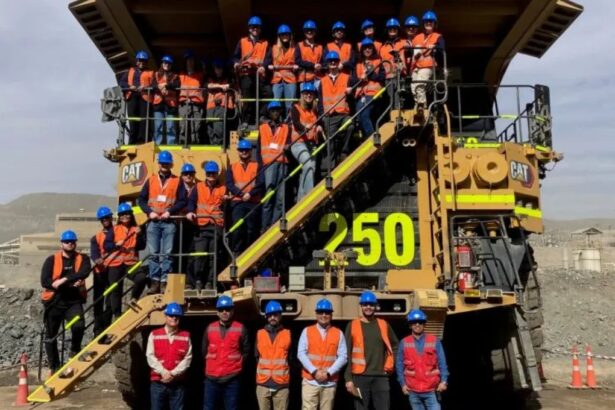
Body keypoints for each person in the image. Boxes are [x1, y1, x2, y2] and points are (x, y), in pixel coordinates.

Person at [40, 230, 91, 375]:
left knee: (79, 325)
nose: (70, 244)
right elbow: (45, 281)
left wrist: (64, 280)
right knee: (51, 335)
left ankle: (74, 351)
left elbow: (85, 272)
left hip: (73, 301)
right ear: (61, 243)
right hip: (54, 301)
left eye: (72, 242)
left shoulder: (83, 258)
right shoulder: (51, 260)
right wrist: (68, 284)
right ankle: (54, 367)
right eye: (67, 242)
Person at [137, 150, 188, 294]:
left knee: (167, 253)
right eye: (162, 163)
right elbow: (141, 199)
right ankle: (155, 283)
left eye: (167, 163)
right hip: (153, 222)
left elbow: (183, 200)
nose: (164, 165)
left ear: (171, 164)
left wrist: (169, 212)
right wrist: (149, 212)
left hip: (169, 222)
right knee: (153, 253)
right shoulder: (151, 180)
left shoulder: (177, 181)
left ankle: (165, 281)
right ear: (159, 164)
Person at [344, 291, 399, 410]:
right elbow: (346, 353)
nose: (368, 307)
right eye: (365, 304)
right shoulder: (352, 325)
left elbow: (395, 346)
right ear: (361, 306)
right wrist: (348, 379)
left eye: (371, 304)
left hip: (381, 377)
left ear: (375, 306)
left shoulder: (384, 324)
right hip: (360, 377)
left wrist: (391, 365)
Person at [298, 298, 347, 410]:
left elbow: (343, 357)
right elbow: (301, 354)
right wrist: (314, 372)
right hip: (310, 382)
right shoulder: (307, 331)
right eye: (321, 312)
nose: (324, 315)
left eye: (327, 312)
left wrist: (328, 373)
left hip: (329, 383)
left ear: (331, 315)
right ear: (316, 314)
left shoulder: (338, 333)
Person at [203, 295, 250, 410]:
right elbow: (203, 351)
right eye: (221, 310)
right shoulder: (210, 328)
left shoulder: (241, 328)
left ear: (232, 311)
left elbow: (246, 351)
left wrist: (236, 367)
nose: (225, 312)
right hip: (211, 379)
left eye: (228, 309)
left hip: (232, 380)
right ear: (217, 312)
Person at [186, 161, 227, 290]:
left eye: (213, 173)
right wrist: (190, 212)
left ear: (217, 174)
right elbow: (191, 202)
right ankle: (198, 281)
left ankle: (210, 282)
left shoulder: (223, 188)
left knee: (213, 256)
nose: (211, 175)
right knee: (200, 255)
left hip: (216, 226)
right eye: (209, 173)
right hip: (201, 226)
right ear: (205, 174)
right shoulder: (198, 187)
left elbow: (226, 207)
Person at [397, 309, 448, 410]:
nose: (417, 324)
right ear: (410, 325)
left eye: (420, 322)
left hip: (432, 391)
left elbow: (442, 363)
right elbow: (399, 365)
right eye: (414, 322)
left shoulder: (434, 341)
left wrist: (444, 381)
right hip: (413, 391)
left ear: (424, 324)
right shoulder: (404, 342)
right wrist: (402, 384)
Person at [146, 302, 192, 410]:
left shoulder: (185, 336)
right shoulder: (154, 334)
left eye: (177, 316)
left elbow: (188, 358)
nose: (174, 318)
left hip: (177, 384)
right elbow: (150, 356)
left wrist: (172, 374)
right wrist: (163, 372)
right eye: (171, 315)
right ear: (166, 316)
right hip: (158, 383)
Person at [226, 139, 265, 254]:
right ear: (238, 151)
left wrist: (250, 194)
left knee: (251, 229)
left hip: (253, 202)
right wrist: (242, 194)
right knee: (237, 228)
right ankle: (236, 252)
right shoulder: (232, 167)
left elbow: (261, 183)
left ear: (250, 151)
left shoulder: (257, 166)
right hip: (238, 202)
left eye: (246, 150)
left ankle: (250, 252)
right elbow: (229, 184)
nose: (244, 152)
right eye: (242, 150)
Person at [258, 101, 290, 229]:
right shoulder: (262, 128)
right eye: (273, 110)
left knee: (280, 200)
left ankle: (274, 226)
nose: (275, 112)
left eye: (277, 110)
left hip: (282, 164)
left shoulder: (286, 127)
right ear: (269, 113)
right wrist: (260, 168)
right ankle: (265, 228)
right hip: (268, 166)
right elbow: (259, 150)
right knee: (268, 198)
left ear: (280, 112)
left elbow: (288, 144)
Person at [319, 51, 353, 169]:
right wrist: (320, 120)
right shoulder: (322, 81)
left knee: (350, 126)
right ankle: (330, 169)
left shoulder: (347, 77)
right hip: (329, 116)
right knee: (330, 144)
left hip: (343, 113)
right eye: (330, 61)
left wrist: (350, 93)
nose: (333, 63)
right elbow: (319, 102)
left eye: (335, 61)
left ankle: (344, 151)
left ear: (339, 63)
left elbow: (353, 98)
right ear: (327, 64)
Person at [233, 16, 269, 127]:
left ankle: (262, 116)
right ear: (249, 28)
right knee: (247, 97)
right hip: (246, 74)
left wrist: (264, 66)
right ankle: (246, 121)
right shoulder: (242, 41)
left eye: (257, 27)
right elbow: (235, 56)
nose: (255, 29)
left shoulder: (265, 43)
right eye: (253, 27)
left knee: (268, 93)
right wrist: (235, 63)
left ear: (260, 29)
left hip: (259, 74)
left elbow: (268, 58)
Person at [255, 301, 291, 410]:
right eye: (270, 315)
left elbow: (292, 358)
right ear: (266, 317)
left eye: (275, 314)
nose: (272, 317)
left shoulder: (287, 334)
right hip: (263, 384)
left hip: (281, 385)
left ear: (280, 315)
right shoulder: (260, 334)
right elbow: (256, 356)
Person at [289, 82, 322, 200]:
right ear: (302, 95)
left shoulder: (314, 110)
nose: (309, 95)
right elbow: (296, 123)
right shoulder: (295, 107)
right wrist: (305, 128)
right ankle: (310, 198)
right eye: (306, 93)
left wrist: (319, 126)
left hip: (312, 144)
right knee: (307, 166)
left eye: (311, 94)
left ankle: (301, 201)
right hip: (299, 143)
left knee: (309, 171)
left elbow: (318, 122)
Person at [411, 11, 445, 114]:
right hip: (416, 66)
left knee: (420, 85)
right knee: (413, 87)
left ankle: (422, 106)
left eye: (430, 21)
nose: (428, 23)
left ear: (434, 24)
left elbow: (442, 48)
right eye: (426, 22)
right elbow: (413, 51)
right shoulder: (417, 37)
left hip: (428, 65)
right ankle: (418, 106)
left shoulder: (438, 36)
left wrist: (435, 46)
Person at [114, 203, 148, 301]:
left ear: (131, 214)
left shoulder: (137, 229)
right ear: (119, 217)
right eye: (122, 214)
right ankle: (117, 314)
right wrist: (116, 245)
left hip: (131, 263)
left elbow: (142, 246)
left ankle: (133, 298)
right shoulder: (114, 229)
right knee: (115, 291)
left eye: (127, 213)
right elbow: (108, 246)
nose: (124, 216)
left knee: (141, 278)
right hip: (116, 264)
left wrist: (140, 235)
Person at [353, 39, 385, 139]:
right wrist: (360, 79)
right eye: (365, 48)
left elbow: (382, 78)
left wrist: (370, 74)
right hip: (361, 95)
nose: (367, 50)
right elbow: (353, 80)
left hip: (374, 94)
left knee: (365, 115)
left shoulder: (378, 61)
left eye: (370, 48)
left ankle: (372, 138)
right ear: (361, 50)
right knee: (359, 117)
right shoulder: (358, 65)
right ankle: (366, 138)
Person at [118, 50, 152, 144]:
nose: (142, 63)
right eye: (140, 60)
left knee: (143, 121)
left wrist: (145, 87)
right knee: (133, 120)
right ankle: (132, 141)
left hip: (144, 98)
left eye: (144, 61)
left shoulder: (150, 73)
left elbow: (154, 84)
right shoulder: (130, 71)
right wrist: (130, 87)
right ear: (137, 61)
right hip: (132, 97)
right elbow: (121, 83)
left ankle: (142, 141)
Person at [90, 206, 114, 337]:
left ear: (111, 218)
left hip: (114, 270)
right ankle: (98, 330)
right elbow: (94, 253)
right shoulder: (96, 237)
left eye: (107, 218)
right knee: (98, 302)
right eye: (103, 219)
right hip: (100, 272)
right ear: (101, 220)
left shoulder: (118, 232)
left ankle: (106, 327)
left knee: (110, 301)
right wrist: (97, 259)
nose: (105, 220)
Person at [148, 55, 180, 145]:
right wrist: (159, 87)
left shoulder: (175, 76)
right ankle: (157, 144)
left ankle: (171, 144)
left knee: (171, 126)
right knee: (158, 126)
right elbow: (152, 86)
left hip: (171, 105)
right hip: (158, 104)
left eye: (169, 63)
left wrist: (165, 85)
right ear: (162, 63)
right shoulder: (156, 75)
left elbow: (176, 85)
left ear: (171, 65)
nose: (167, 64)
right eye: (165, 62)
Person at [267, 25, 299, 114]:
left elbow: (299, 60)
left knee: (290, 103)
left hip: (290, 79)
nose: (285, 36)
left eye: (286, 34)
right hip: (277, 79)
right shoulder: (274, 48)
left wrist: (297, 66)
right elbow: (268, 60)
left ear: (290, 36)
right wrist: (268, 66)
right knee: (276, 102)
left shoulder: (294, 49)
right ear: (279, 36)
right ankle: (277, 121)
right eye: (282, 34)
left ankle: (289, 122)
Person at [206, 59, 236, 146]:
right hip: (210, 107)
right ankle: (213, 146)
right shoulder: (209, 78)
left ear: (223, 69)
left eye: (219, 68)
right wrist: (220, 86)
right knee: (210, 128)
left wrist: (220, 87)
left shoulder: (229, 79)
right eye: (216, 68)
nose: (218, 70)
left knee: (218, 128)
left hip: (222, 106)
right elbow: (207, 86)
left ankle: (218, 146)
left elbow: (231, 85)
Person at [178, 50, 205, 144]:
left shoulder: (200, 75)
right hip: (183, 104)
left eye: (191, 60)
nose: (190, 62)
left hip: (196, 105)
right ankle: (182, 143)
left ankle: (195, 143)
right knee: (183, 126)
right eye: (188, 60)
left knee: (196, 127)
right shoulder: (180, 75)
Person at [380, 18, 406, 109]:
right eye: (390, 29)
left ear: (398, 30)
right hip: (388, 78)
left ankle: (398, 119)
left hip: (401, 77)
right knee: (389, 101)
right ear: (387, 31)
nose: (392, 30)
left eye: (394, 28)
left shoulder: (404, 43)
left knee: (398, 100)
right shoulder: (382, 47)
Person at [296, 20, 323, 89]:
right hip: (305, 78)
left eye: (311, 30)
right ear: (304, 32)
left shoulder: (320, 47)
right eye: (307, 30)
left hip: (318, 78)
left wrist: (320, 66)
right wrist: (313, 65)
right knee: (305, 99)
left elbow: (323, 61)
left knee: (319, 99)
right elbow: (298, 61)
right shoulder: (299, 45)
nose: (309, 32)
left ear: (315, 32)